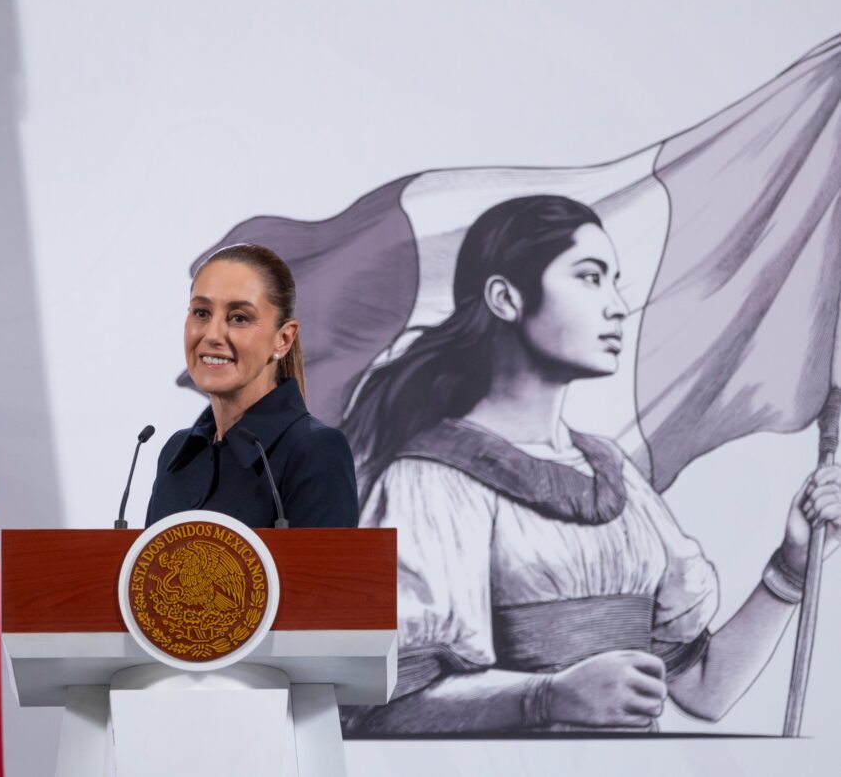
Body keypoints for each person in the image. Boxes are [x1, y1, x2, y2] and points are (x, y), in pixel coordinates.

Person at [340, 195, 841, 733]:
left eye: (614, 279)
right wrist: (546, 698)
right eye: (590, 277)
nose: (617, 305)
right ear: (505, 298)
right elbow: (379, 709)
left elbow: (703, 690)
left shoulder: (616, 476)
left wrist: (792, 566)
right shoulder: (428, 481)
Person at [145, 243, 359, 529]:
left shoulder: (315, 450)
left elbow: (326, 574)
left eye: (239, 318)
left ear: (283, 339)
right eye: (201, 313)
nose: (212, 335)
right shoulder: (177, 454)